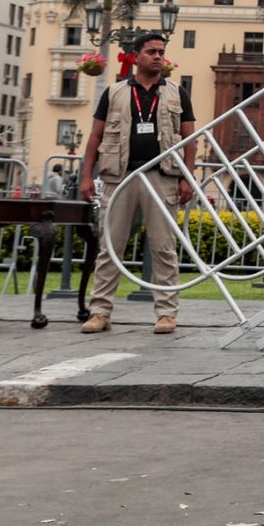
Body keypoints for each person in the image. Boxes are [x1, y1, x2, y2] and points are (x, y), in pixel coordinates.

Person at [78, 32, 195, 335]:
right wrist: (86, 175)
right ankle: (100, 311)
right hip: (120, 176)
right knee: (110, 247)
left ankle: (166, 314)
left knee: (164, 248)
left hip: (162, 176)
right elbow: (95, 135)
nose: (158, 56)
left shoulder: (176, 93)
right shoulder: (115, 92)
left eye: (161, 52)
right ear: (136, 56)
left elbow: (190, 139)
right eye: (152, 51)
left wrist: (187, 178)